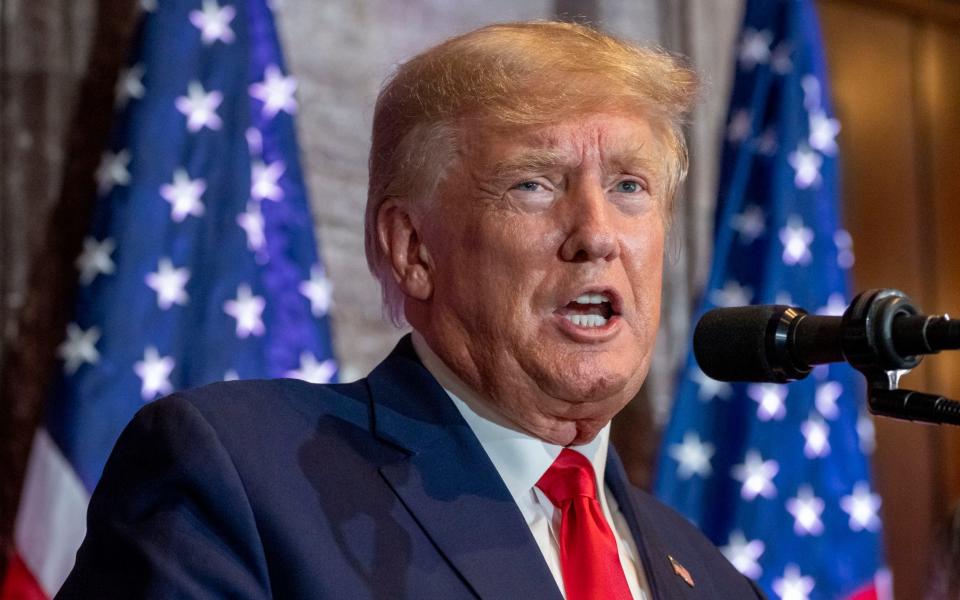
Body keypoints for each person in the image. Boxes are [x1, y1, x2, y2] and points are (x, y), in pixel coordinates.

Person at [58, 21, 765, 599]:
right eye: (533, 183)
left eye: (630, 186)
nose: (598, 233)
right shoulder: (241, 476)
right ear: (412, 249)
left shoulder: (715, 578)